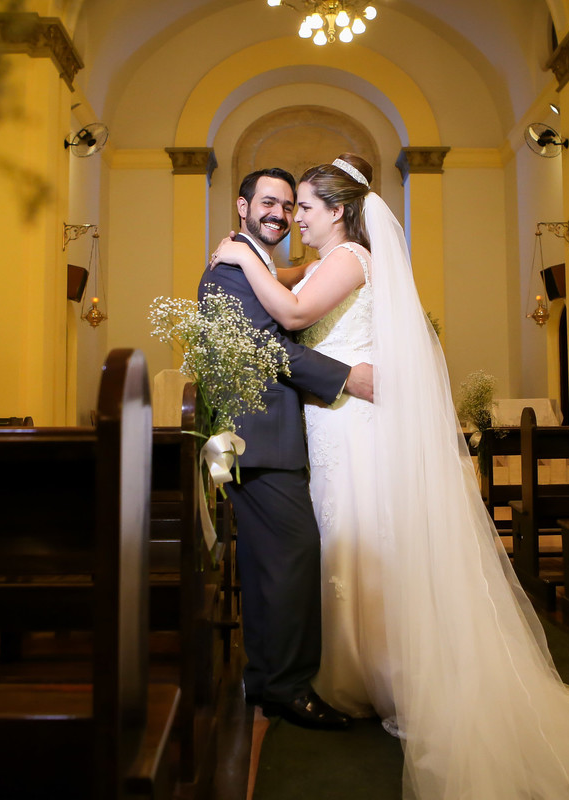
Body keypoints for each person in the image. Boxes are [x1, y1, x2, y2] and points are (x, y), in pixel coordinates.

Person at [210, 154, 569, 798]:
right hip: (329, 420)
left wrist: (245, 259)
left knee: (357, 535)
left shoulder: (349, 258)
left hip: (350, 416)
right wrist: (256, 259)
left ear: (337, 211)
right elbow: (293, 284)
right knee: (338, 541)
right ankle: (340, 665)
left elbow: (294, 318)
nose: (293, 217)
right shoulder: (332, 259)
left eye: (303, 207)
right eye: (284, 206)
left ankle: (374, 669)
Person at [199, 167, 374, 731]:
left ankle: (267, 682)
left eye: (289, 204)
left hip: (263, 438)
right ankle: (288, 689)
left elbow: (292, 288)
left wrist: (303, 268)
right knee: (292, 561)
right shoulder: (231, 266)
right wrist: (349, 377)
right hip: (259, 440)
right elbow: (264, 347)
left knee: (272, 563)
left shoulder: (254, 260)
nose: (280, 214)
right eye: (269, 203)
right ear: (242, 206)